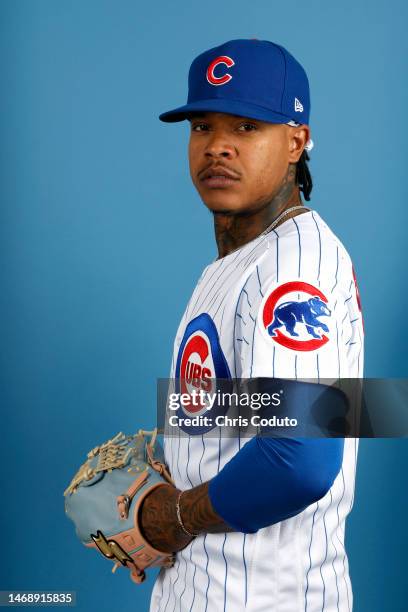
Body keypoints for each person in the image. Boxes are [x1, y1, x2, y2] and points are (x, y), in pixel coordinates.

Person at [140, 39, 364, 612]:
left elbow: (301, 458)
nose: (217, 147)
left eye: (245, 127)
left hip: (264, 597)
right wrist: (169, 469)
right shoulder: (241, 260)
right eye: (202, 126)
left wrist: (177, 515)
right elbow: (254, 408)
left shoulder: (294, 266)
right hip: (208, 587)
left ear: (296, 141)